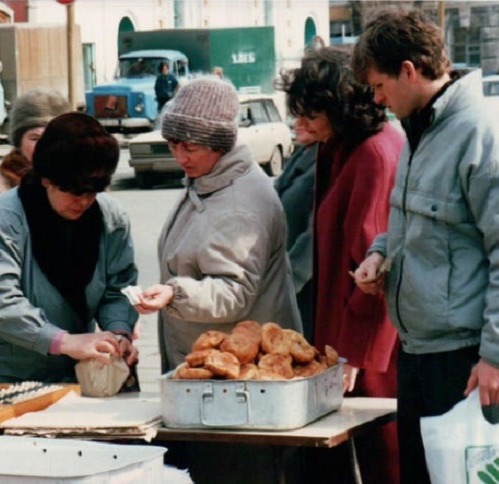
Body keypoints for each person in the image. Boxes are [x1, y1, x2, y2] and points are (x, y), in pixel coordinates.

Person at [351, 9, 499, 483]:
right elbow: (417, 222)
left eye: (379, 85)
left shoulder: (483, 135)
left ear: (409, 71)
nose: (376, 98)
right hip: (420, 355)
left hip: (469, 363)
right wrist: (380, 253)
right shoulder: (420, 132)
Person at [135, 76, 303, 484]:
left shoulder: (238, 203)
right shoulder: (209, 182)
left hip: (240, 391)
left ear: (220, 143)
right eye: (173, 144)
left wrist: (175, 293)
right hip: (220, 391)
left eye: (189, 146)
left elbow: (233, 293)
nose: (179, 156)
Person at [280, 46, 404, 484]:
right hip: (351, 338)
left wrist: (353, 352)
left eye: (312, 112)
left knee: (385, 458)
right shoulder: (346, 146)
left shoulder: (371, 153)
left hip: (370, 345)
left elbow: (372, 266)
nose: (303, 123)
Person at [0, 112, 139, 387]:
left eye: (94, 191)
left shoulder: (110, 218)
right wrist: (64, 341)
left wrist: (118, 333)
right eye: (75, 191)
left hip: (69, 372)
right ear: (46, 180)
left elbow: (118, 289)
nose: (85, 201)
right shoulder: (0, 219)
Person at [0, 87, 71, 203]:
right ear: (19, 144)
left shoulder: (84, 186)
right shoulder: (0, 195)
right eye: (35, 138)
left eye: (53, 137)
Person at [274, 117, 317, 339]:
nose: (298, 123)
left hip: (304, 286)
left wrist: (289, 282)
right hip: (286, 278)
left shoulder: (325, 159)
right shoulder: (302, 153)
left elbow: (315, 235)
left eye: (308, 115)